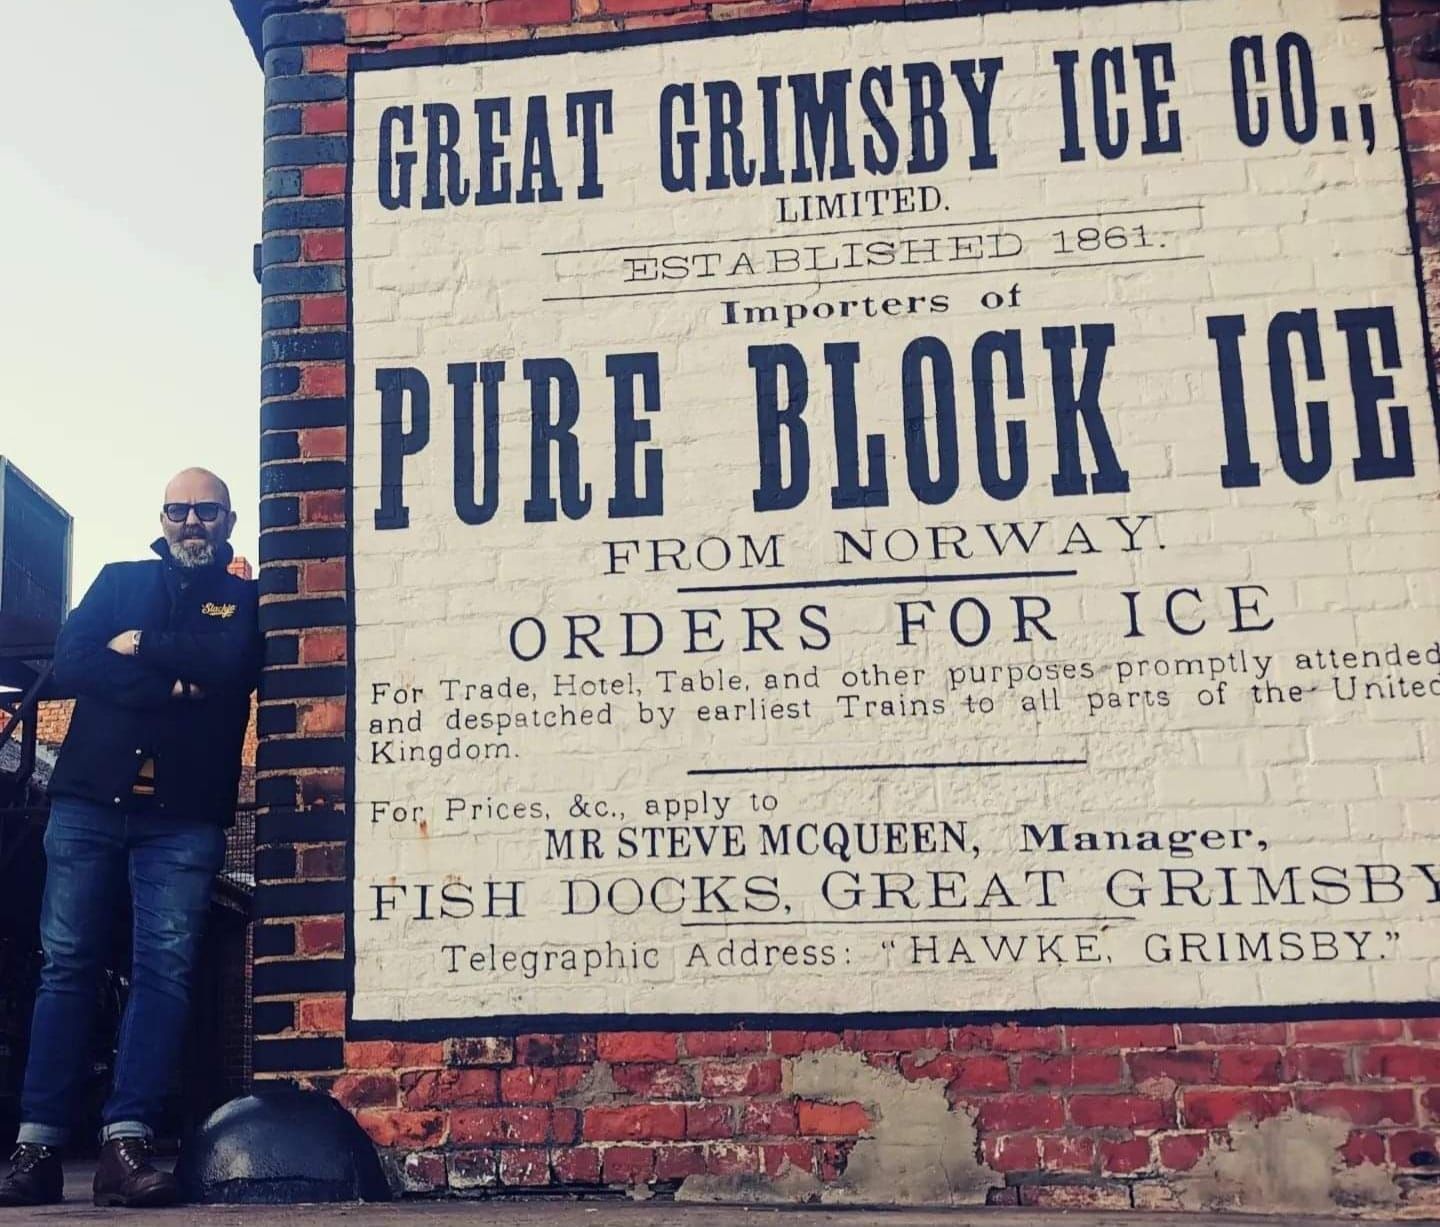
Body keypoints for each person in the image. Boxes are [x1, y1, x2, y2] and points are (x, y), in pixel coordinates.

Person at [0, 468, 261, 1208]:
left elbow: (228, 663)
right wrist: (169, 684)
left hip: (184, 817)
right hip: (87, 804)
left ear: (228, 520)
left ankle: (127, 1142)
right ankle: (37, 1145)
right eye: (178, 509)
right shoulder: (117, 579)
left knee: (164, 972)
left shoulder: (242, 600)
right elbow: (70, 663)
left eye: (205, 511)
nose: (190, 521)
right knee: (66, 966)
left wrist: (141, 643)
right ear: (162, 517)